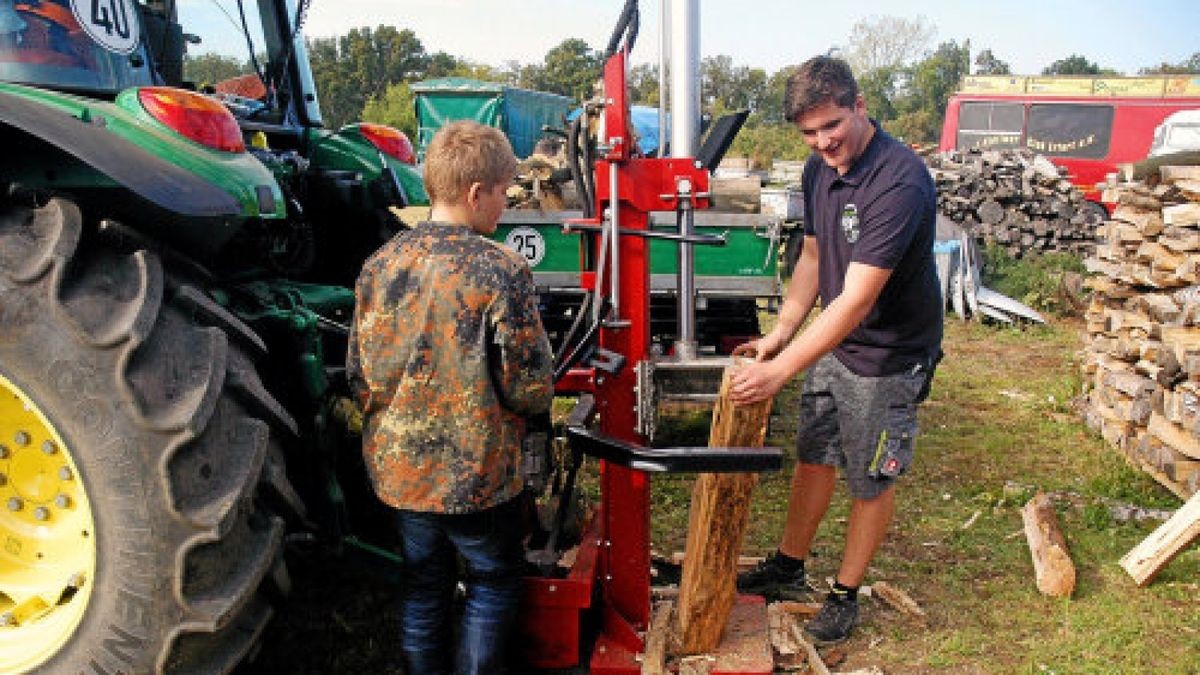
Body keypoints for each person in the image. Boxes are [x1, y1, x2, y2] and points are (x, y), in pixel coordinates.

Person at [729, 56, 942, 645]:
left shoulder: (899, 181)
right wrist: (781, 334)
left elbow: (854, 300)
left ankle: (845, 593)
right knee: (816, 452)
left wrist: (780, 373)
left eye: (832, 126)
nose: (823, 142)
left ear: (860, 107)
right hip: (837, 341)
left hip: (889, 352)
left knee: (871, 475)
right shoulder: (818, 169)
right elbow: (816, 260)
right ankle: (790, 565)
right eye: (809, 132)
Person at [347, 120, 554, 674]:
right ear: (474, 192)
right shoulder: (500, 268)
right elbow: (528, 384)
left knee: (423, 584)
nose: (504, 207)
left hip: (400, 473)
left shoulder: (378, 265)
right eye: (503, 193)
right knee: (491, 581)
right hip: (476, 474)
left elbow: (358, 374)